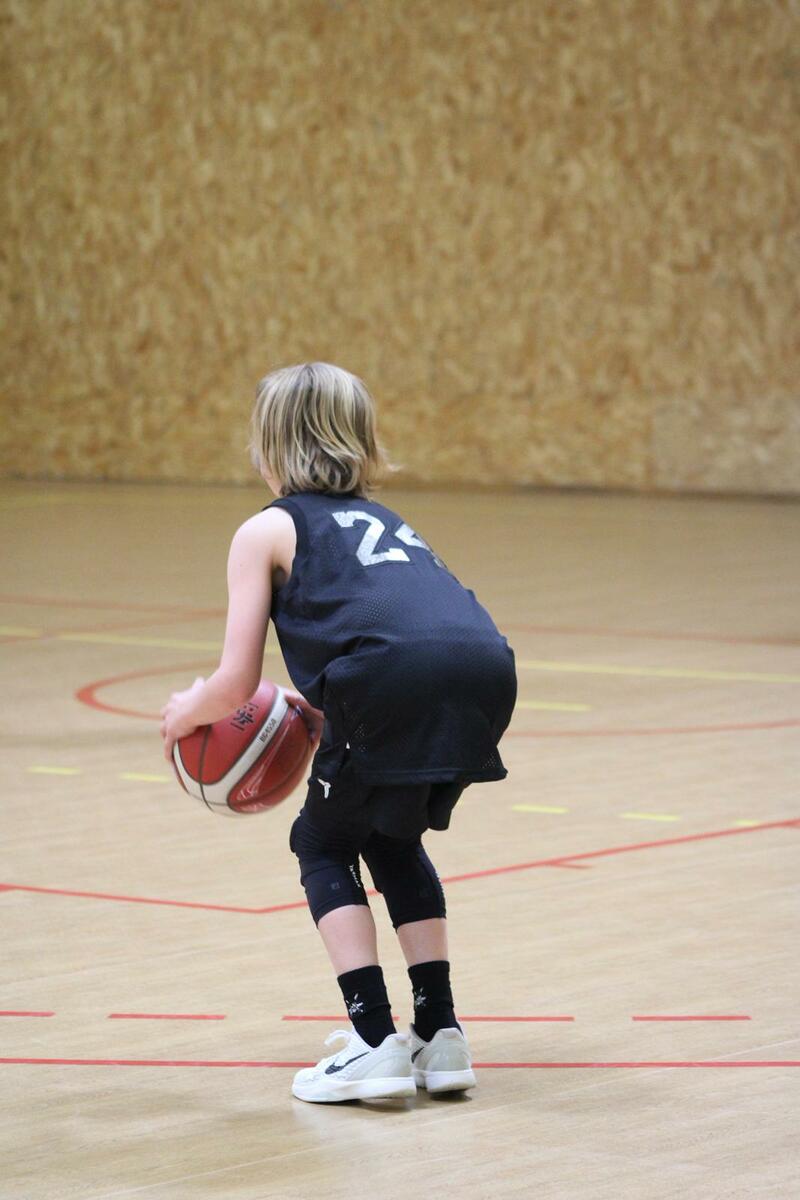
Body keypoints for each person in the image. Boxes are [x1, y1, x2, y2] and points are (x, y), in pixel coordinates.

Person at [160, 362, 517, 1104]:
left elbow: (235, 681)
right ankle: (441, 1033)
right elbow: (403, 624)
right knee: (392, 838)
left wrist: (188, 710)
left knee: (321, 842)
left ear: (267, 445)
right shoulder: (389, 522)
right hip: (484, 672)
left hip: (391, 681)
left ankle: (374, 1041)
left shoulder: (266, 529)